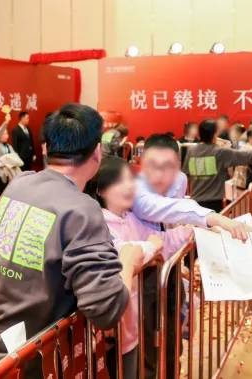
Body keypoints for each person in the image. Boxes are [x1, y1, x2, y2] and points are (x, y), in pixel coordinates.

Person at [0, 104, 145, 378]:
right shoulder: (81, 209)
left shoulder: (19, 184)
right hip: (22, 366)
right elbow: (106, 309)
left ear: (46, 149)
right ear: (97, 152)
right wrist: (128, 263)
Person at [132, 133, 252, 379]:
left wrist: (193, 233)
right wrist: (212, 219)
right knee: (149, 343)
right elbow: (160, 209)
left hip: (169, 269)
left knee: (173, 334)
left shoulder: (180, 179)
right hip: (144, 276)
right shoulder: (136, 188)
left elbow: (175, 215)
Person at [86, 156, 193, 379]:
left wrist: (194, 230)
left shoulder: (131, 218)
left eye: (130, 180)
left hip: (132, 325)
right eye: (119, 181)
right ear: (100, 191)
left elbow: (162, 239)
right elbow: (126, 252)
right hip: (112, 328)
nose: (129, 187)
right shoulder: (98, 223)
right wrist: (150, 248)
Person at [183, 119, 252, 212]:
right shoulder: (220, 152)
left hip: (195, 201)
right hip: (214, 202)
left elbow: (186, 172)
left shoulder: (191, 151)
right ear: (214, 134)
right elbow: (245, 156)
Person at [0, 112, 22, 197]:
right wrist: (6, 123)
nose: (6, 136)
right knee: (1, 197)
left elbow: (16, 159)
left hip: (10, 175)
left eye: (7, 133)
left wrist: (9, 161)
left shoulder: (8, 146)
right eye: (3, 134)